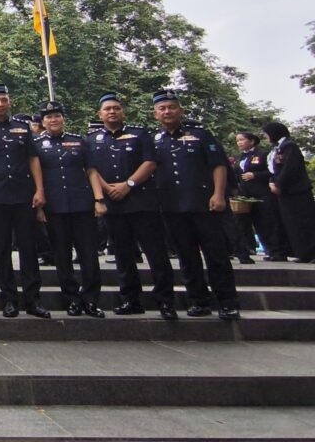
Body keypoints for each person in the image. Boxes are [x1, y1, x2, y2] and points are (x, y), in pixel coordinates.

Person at [85, 92, 176, 320]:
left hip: (142, 201)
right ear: (100, 114)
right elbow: (91, 169)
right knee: (123, 255)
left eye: (116, 108)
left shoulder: (140, 134)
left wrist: (129, 184)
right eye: (107, 109)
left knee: (156, 254)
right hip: (114, 205)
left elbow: (150, 162)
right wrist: (107, 189)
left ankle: (165, 301)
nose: (112, 112)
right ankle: (130, 299)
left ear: (123, 111)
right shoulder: (92, 139)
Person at [152, 89, 240, 320]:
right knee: (186, 256)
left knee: (216, 255)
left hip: (204, 204)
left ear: (180, 110)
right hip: (172, 206)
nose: (167, 111)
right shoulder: (155, 139)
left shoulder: (201, 134)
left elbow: (218, 165)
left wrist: (219, 194)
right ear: (155, 114)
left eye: (171, 107)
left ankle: (227, 302)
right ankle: (199, 300)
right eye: (162, 108)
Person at [0, 84, 50, 318]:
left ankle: (33, 299)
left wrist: (39, 190)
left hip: (23, 196)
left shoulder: (23, 128)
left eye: (3, 100)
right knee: (1, 249)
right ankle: (9, 299)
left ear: (9, 102)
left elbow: (33, 160)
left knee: (28, 248)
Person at [33, 100, 105, 318]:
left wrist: (98, 199)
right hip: (55, 207)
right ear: (43, 122)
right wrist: (39, 207)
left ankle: (91, 300)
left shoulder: (79, 141)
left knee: (89, 255)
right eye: (48, 117)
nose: (53, 120)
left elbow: (91, 170)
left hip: (82, 204)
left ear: (63, 118)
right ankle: (72, 299)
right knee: (62, 256)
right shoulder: (36, 145)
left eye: (57, 116)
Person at [263, 121, 315, 263]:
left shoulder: (289, 146)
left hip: (297, 192)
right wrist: (272, 182)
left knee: (303, 223)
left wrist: (279, 185)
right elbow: (276, 169)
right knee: (290, 224)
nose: (265, 137)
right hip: (285, 193)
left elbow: (290, 169)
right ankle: (301, 252)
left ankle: (310, 253)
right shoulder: (279, 148)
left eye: (266, 134)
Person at [234, 132, 289, 262]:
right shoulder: (241, 157)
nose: (239, 143)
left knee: (267, 222)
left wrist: (255, 175)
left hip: (263, 192)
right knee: (251, 223)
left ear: (252, 141)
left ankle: (277, 251)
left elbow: (272, 171)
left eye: (242, 140)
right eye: (237, 141)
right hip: (246, 194)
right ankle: (253, 249)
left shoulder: (263, 154)